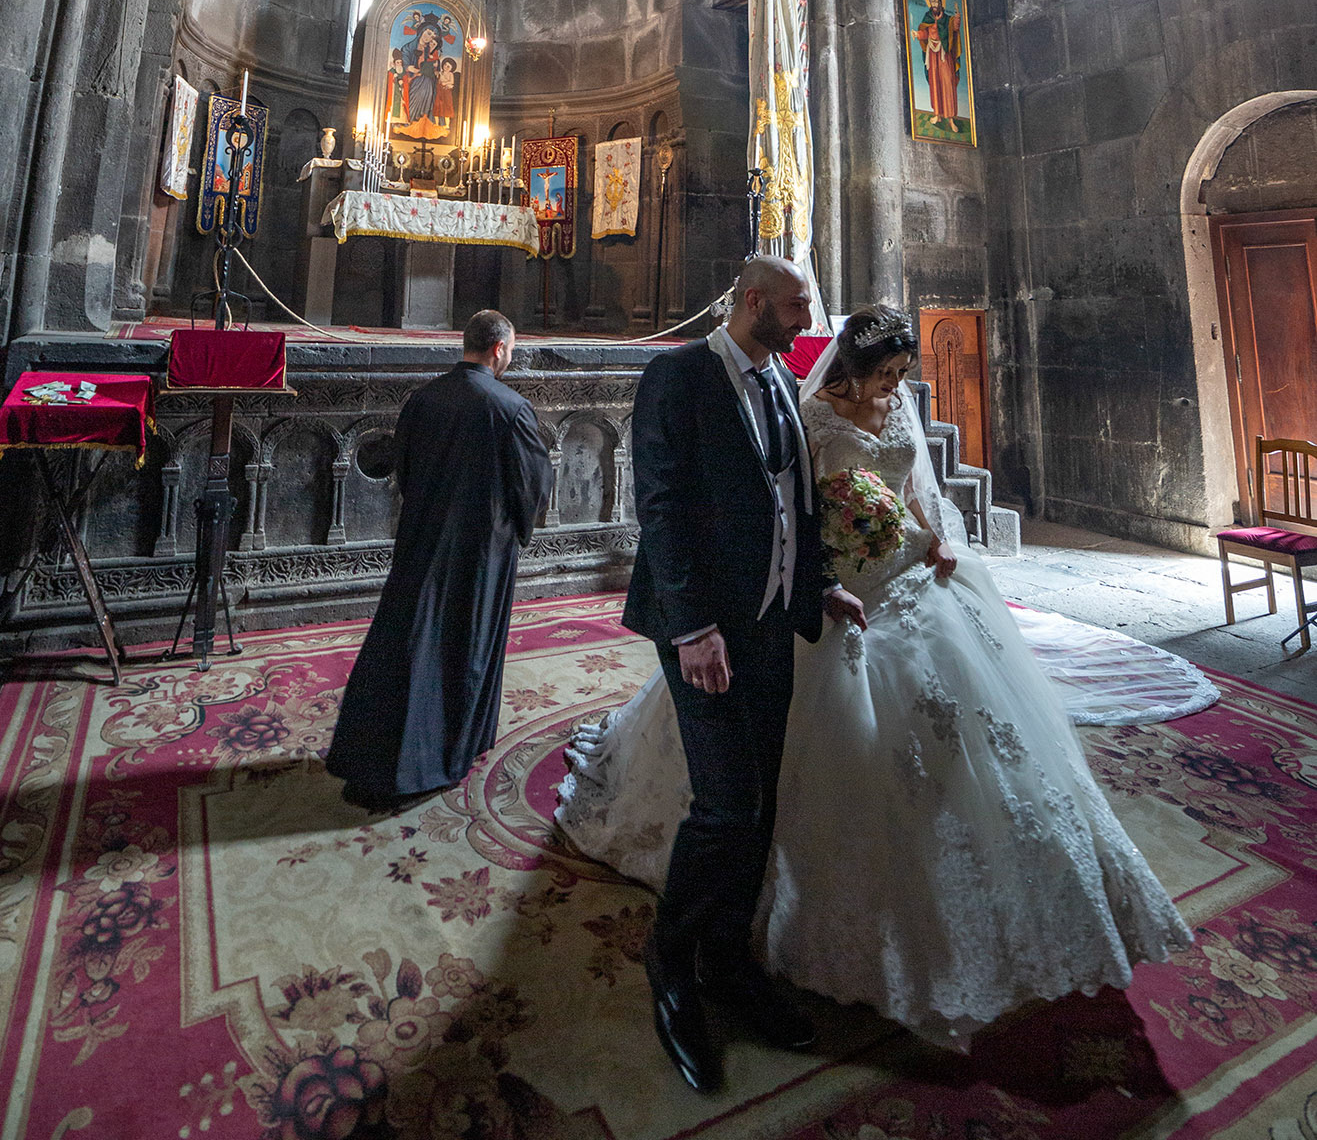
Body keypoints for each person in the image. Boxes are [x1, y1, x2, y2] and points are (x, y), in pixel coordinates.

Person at [559, 304, 1191, 1057]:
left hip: (907, 579)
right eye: (884, 375)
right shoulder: (805, 416)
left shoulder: (889, 411)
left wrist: (931, 535)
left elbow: (909, 484)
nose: (893, 388)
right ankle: (700, 949)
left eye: (899, 375)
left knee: (968, 738)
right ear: (848, 369)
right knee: (764, 780)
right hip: (835, 590)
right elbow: (783, 511)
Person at [617, 257, 865, 1093]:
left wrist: (820, 581)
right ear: (753, 301)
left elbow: (792, 501)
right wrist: (690, 626)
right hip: (704, 629)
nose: (806, 321)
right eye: (796, 306)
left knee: (756, 797)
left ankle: (728, 959)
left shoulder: (778, 383)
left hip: (769, 625)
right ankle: (672, 961)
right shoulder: (679, 374)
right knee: (726, 804)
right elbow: (660, 504)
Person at [326, 310, 551, 816]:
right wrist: (518, 529)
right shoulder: (512, 407)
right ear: (498, 349)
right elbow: (532, 485)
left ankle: (377, 756)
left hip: (423, 537)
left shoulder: (422, 399)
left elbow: (402, 471)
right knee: (462, 645)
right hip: (480, 549)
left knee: (405, 639)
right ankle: (441, 756)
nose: (510, 358)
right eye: (510, 350)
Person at [914, 0, 962, 130]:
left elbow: (955, 28)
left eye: (936, 1)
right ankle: (937, 113)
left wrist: (958, 16)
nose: (934, 4)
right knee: (935, 83)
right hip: (932, 54)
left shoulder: (947, 19)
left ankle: (951, 118)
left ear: (940, 2)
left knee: (947, 83)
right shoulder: (928, 17)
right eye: (931, 1)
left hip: (944, 53)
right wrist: (918, 35)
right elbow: (925, 33)